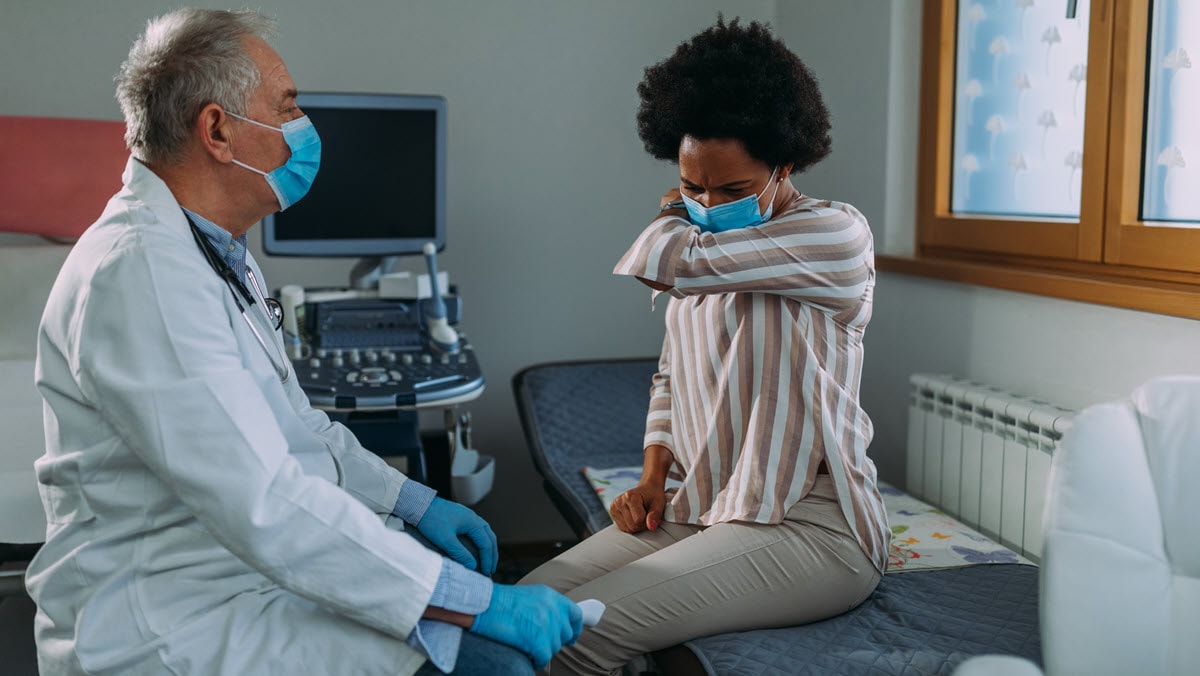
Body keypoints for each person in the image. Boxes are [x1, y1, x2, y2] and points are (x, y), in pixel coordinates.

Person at [26, 8, 580, 676]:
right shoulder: (142, 272)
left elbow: (295, 426)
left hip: (236, 571)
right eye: (288, 106)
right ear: (218, 130)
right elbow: (262, 497)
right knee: (495, 661)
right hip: (164, 618)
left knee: (454, 619)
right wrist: (464, 601)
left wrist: (412, 501)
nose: (304, 127)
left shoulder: (213, 251)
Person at [518, 17, 890, 674]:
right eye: (692, 186)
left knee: (577, 634)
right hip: (706, 506)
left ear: (786, 164)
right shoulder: (705, 249)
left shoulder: (835, 235)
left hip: (812, 528)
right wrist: (653, 478)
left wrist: (671, 210)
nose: (709, 203)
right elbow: (670, 375)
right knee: (520, 607)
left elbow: (673, 261)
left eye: (733, 189)